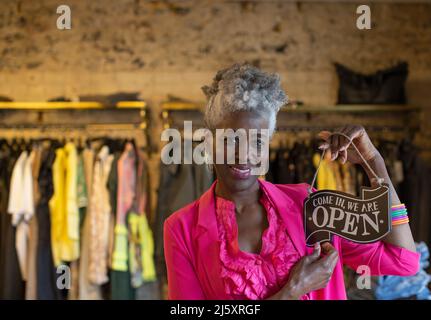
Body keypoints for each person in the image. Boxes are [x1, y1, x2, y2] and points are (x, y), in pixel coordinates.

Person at [163, 63, 419, 300]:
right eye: (231, 140)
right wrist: (294, 290)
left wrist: (373, 162)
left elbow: (404, 261)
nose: (245, 154)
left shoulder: (309, 205)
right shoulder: (182, 229)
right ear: (209, 143)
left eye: (258, 141)